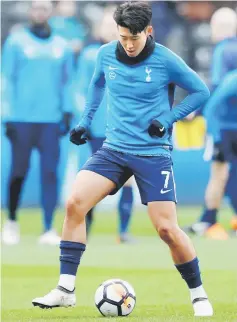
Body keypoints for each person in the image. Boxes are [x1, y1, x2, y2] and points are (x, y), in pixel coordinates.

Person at [32, 2, 213, 316]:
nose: (128, 44)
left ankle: (198, 295)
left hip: (153, 155)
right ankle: (65, 289)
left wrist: (169, 119)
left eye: (135, 38)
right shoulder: (105, 54)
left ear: (149, 31)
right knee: (75, 203)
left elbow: (200, 91)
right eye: (123, 37)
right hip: (113, 151)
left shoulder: (165, 60)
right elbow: (97, 84)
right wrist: (85, 122)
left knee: (167, 230)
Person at [1, 0, 74, 245]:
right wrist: (7, 114)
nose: (40, 12)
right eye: (36, 7)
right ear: (30, 11)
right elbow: (6, 79)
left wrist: (67, 111)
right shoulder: (16, 42)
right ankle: (11, 222)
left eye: (44, 8)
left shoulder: (61, 46)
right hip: (21, 118)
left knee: (50, 173)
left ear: (50, 12)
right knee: (19, 171)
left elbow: (67, 82)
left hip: (50, 120)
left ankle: (48, 227)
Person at [75, 6, 134, 242]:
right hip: (98, 129)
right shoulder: (92, 55)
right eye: (107, 25)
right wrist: (84, 121)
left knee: (128, 178)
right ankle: (85, 229)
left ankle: (123, 231)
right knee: (92, 180)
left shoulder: (131, 56)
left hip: (123, 129)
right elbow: (80, 88)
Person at [185, 8, 237, 239]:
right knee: (230, 173)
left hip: (223, 123)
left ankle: (209, 220)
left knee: (219, 172)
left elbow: (217, 87)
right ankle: (212, 218)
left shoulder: (222, 50)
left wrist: (196, 109)